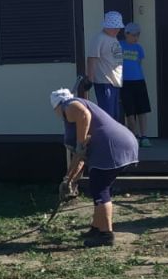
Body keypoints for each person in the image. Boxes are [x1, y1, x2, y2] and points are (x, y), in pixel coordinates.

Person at [50, 86, 140, 247]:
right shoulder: (75, 112)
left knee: (100, 188)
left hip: (112, 148)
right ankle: (97, 228)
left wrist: (80, 145)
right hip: (119, 144)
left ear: (56, 106)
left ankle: (106, 235)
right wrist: (69, 180)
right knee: (97, 186)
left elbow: (84, 116)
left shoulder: (68, 106)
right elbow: (80, 157)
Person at [87, 11, 126, 123]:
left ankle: (114, 139)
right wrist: (90, 79)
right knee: (107, 115)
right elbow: (92, 58)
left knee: (115, 115)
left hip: (115, 82)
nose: (117, 30)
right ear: (107, 26)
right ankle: (106, 139)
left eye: (118, 27)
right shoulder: (99, 38)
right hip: (104, 82)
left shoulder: (113, 39)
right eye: (114, 27)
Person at [119, 21, 151, 146]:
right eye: (133, 35)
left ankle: (144, 136)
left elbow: (139, 63)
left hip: (139, 81)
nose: (135, 37)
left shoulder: (139, 48)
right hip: (125, 83)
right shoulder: (119, 45)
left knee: (142, 110)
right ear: (126, 34)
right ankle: (133, 137)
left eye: (137, 35)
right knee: (130, 113)